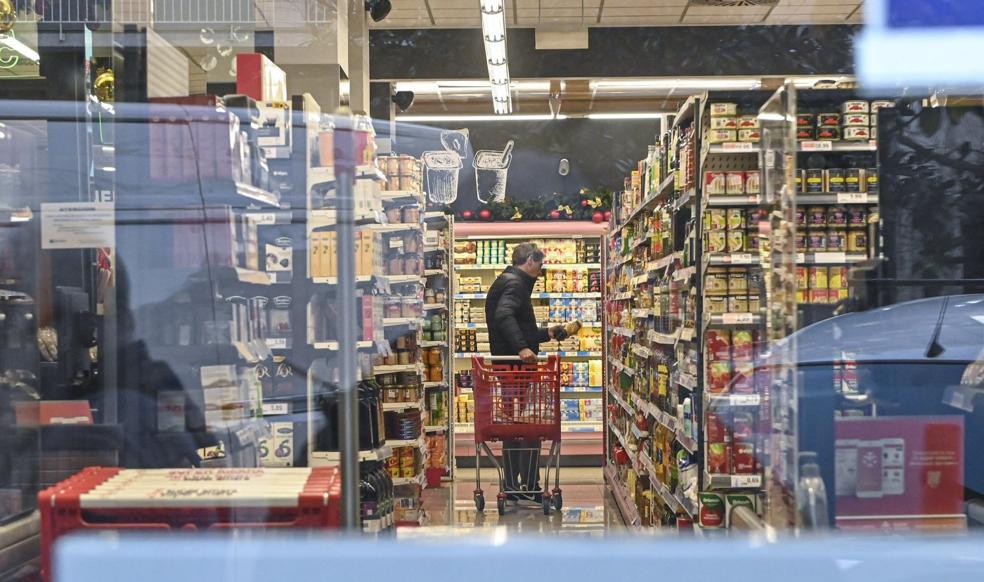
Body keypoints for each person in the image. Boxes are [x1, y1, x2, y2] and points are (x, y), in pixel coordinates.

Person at [485, 242, 579, 500]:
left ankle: (517, 484)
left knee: (513, 425)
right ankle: (528, 484)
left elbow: (516, 324)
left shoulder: (509, 281)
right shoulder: (515, 284)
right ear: (529, 261)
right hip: (515, 370)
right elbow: (504, 316)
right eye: (539, 263)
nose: (541, 268)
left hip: (510, 369)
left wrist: (547, 333)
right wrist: (523, 348)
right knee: (528, 424)